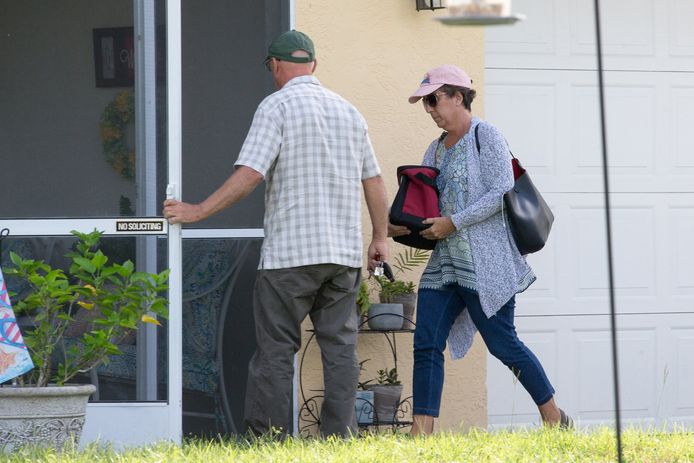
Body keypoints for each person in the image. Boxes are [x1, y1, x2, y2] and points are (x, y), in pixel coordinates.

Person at [163, 30, 389, 438]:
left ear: (276, 66)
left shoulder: (277, 106)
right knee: (340, 351)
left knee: (276, 352)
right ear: (314, 66)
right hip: (341, 256)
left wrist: (197, 211)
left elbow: (250, 175)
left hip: (290, 257)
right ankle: (339, 440)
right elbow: (373, 180)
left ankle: (269, 439)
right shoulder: (349, 111)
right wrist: (379, 238)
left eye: (271, 68)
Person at [389, 64, 572, 435]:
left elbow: (501, 189)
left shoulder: (485, 136)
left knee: (503, 345)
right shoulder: (435, 148)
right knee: (425, 343)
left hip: (486, 264)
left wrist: (453, 222)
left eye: (434, 99)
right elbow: (428, 200)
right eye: (425, 102)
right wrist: (404, 224)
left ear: (458, 96)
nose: (430, 109)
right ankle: (421, 431)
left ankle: (553, 415)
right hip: (445, 264)